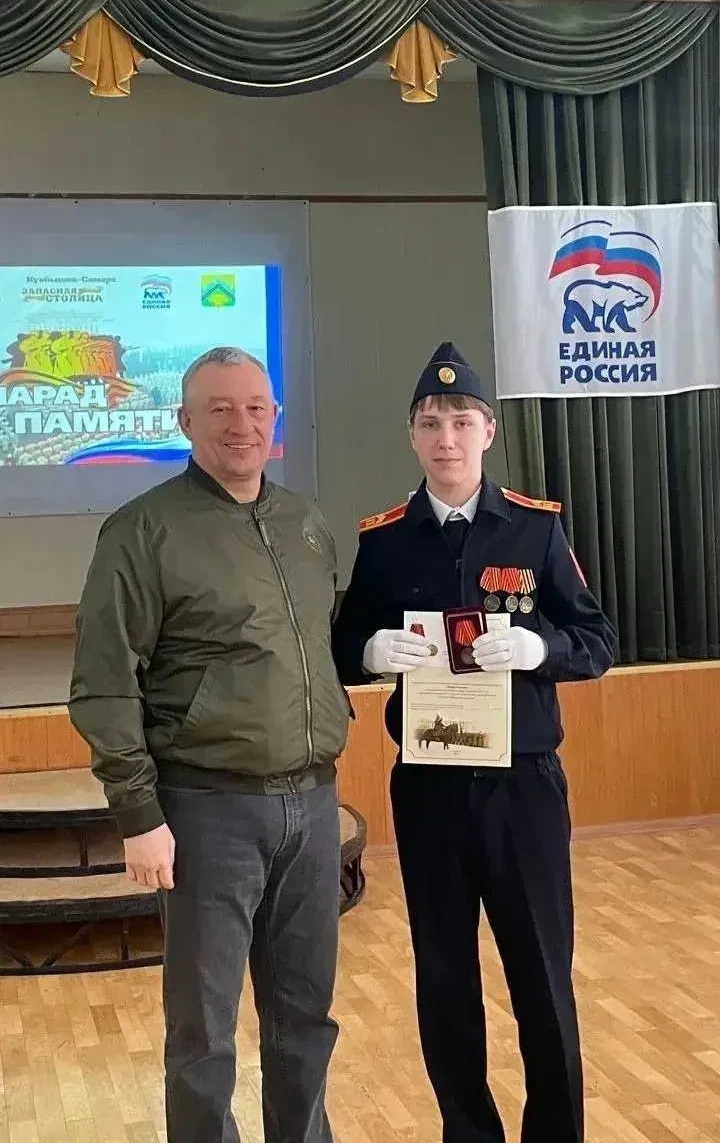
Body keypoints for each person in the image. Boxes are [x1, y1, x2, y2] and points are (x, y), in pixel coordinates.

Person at [332, 342, 617, 1143]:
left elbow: (598, 642)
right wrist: (371, 651)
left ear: (489, 431)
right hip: (429, 786)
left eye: (461, 421)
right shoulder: (385, 540)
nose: (446, 438)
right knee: (445, 977)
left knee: (541, 977)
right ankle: (468, 1132)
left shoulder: (534, 529)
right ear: (412, 437)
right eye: (430, 423)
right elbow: (342, 645)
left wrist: (539, 648)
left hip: (522, 786)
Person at [69, 346, 350, 1143]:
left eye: (256, 407)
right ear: (184, 420)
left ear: (276, 419)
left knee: (306, 1018)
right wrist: (137, 814)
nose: (241, 424)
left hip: (312, 804)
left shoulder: (305, 523)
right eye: (220, 408)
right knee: (203, 1032)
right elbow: (102, 682)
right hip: (205, 811)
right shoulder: (143, 530)